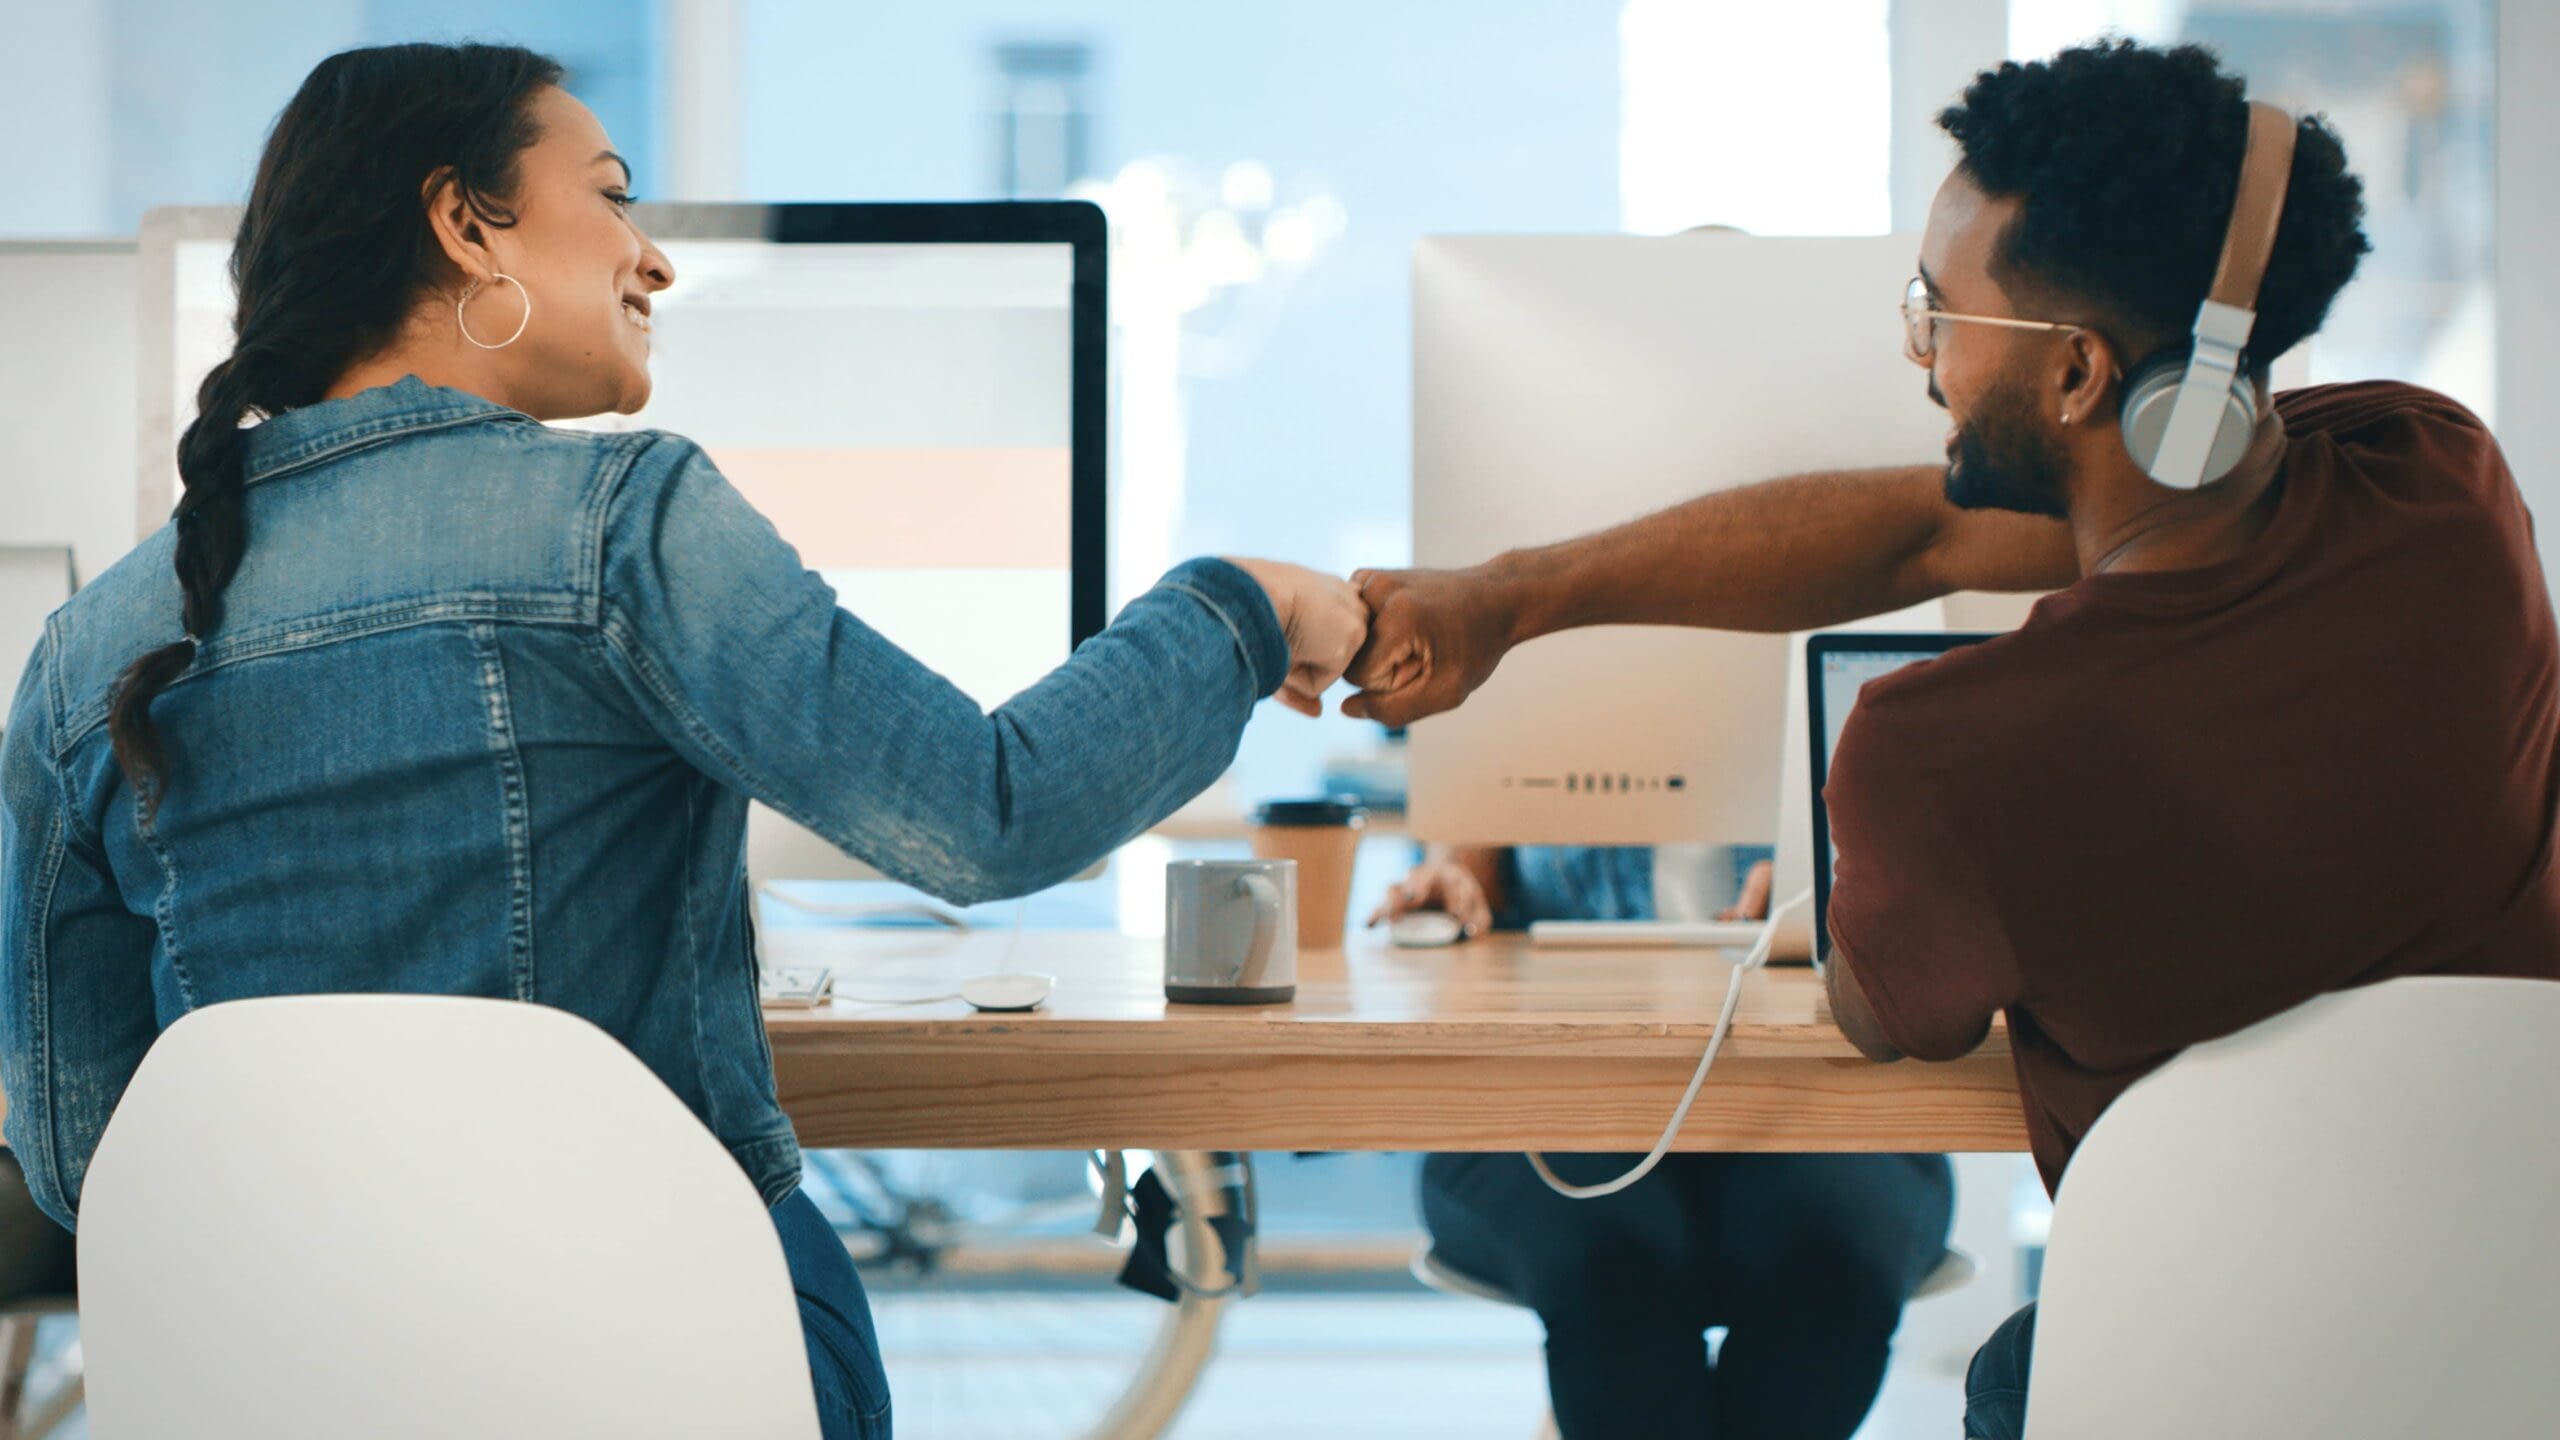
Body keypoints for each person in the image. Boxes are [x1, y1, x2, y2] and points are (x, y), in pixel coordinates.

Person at [0, 44, 1366, 1440]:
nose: (652, 259)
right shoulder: (620, 525)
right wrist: (1241, 613)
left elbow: (80, 1152)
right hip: (663, 1383)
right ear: (465, 222)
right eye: (610, 196)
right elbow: (990, 815)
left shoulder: (79, 658)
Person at [1341, 40, 2560, 1439]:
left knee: (2011, 1373)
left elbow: (1875, 1014)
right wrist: (1515, 596)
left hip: (2188, 1375)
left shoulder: (1946, 758)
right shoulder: (2441, 484)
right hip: (2516, 1327)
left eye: (1939, 310)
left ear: (2078, 373)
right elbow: (1939, 532)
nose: (1917, 352)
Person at [1377, 846, 1952, 1439]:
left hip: (1811, 1088)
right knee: (1616, 1264)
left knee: (1832, 1260)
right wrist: (1456, 885)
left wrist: (1835, 888)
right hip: (1557, 1091)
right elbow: (1469, 865)